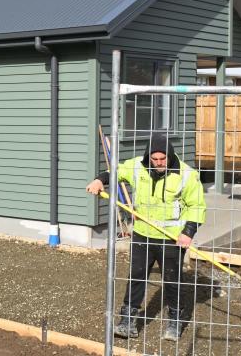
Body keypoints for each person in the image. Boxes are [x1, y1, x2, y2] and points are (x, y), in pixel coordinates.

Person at [86, 132, 205, 341]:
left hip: (171, 237)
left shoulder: (186, 174)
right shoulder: (137, 166)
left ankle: (175, 321)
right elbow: (115, 172)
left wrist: (188, 232)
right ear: (148, 156)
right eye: (154, 159)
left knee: (172, 279)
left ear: (170, 155)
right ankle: (127, 321)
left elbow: (196, 205)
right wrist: (99, 180)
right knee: (136, 276)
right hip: (142, 233)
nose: (159, 163)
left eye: (163, 159)